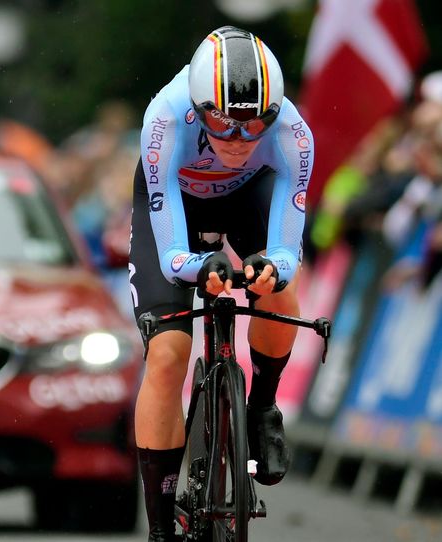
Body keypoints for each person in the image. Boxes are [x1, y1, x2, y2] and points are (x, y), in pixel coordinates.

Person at [128, 26, 314, 541]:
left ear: (273, 114)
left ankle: (262, 407)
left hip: (251, 195)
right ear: (197, 107)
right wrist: (202, 265)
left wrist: (272, 267)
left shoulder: (295, 134)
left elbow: (287, 250)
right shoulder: (164, 118)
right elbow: (171, 257)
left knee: (278, 291)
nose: (237, 140)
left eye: (254, 125)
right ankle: (161, 526)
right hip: (176, 206)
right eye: (221, 123)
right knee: (166, 356)